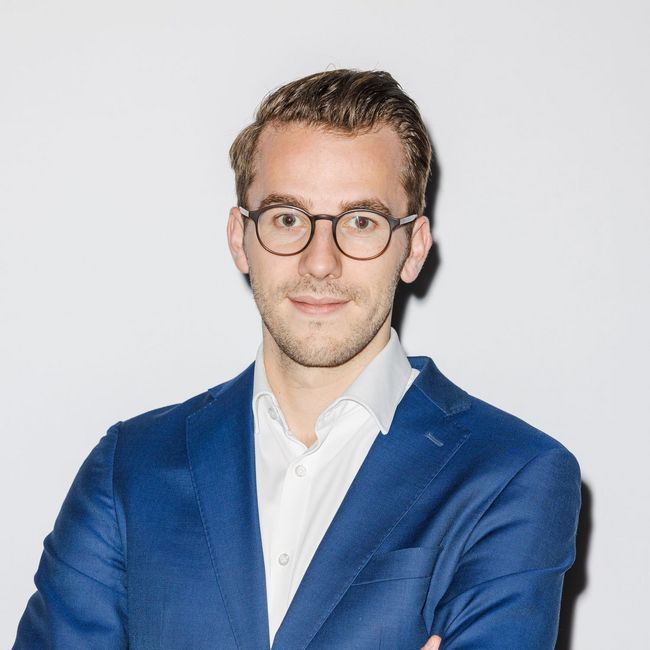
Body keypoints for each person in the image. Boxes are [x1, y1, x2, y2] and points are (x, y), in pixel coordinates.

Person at [13, 69, 581, 650]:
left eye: (361, 222)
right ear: (240, 238)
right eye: (287, 218)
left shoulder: (512, 475)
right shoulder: (129, 468)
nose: (320, 262)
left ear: (413, 248)